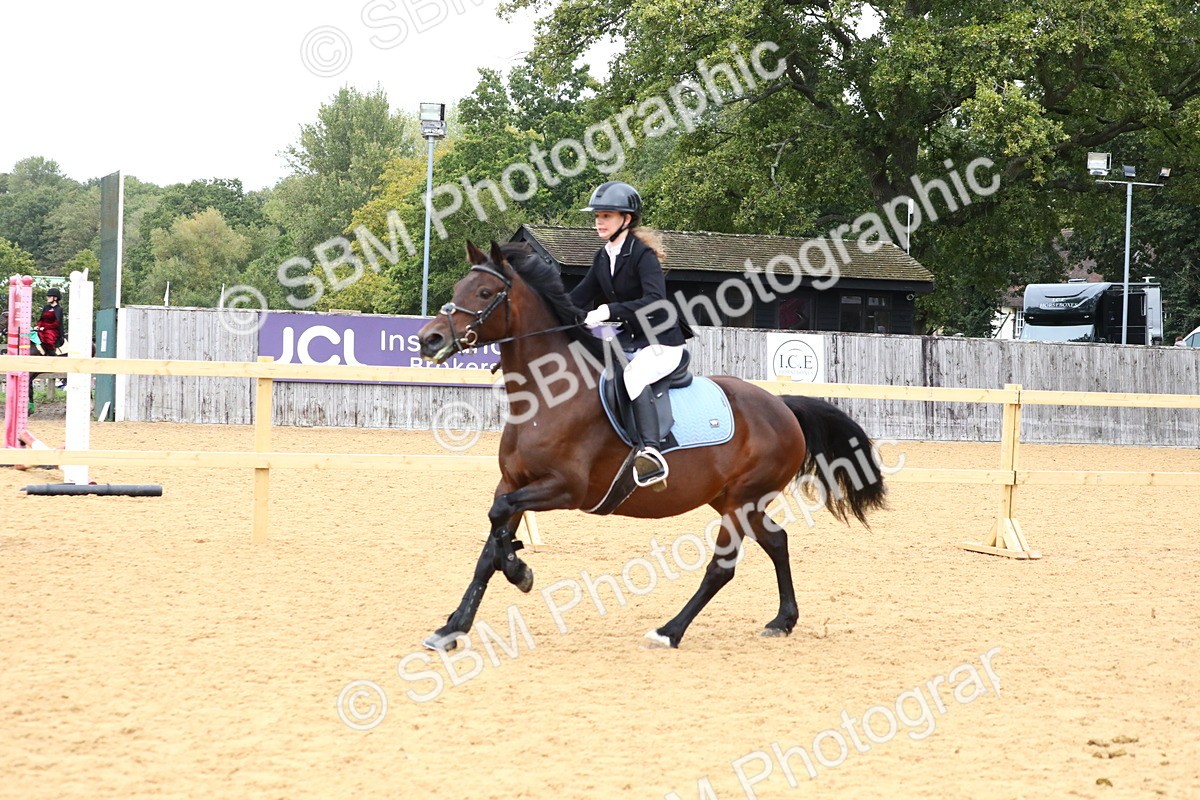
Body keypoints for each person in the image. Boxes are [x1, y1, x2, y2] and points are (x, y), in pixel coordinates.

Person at [570, 181, 692, 487]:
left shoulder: (642, 255)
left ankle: (651, 451)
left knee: (634, 376)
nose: (599, 220)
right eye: (597, 215)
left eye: (607, 215)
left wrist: (610, 311)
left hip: (663, 340)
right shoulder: (602, 257)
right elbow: (576, 298)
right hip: (631, 339)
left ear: (626, 219)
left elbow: (655, 299)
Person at [35, 287, 64, 356]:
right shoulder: (46, 307)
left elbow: (56, 323)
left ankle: (53, 355)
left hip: (53, 330)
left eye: (49, 296)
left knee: (47, 340)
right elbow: (42, 319)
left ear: (55, 298)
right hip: (43, 328)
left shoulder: (59, 309)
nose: (47, 298)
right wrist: (38, 326)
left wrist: (44, 327)